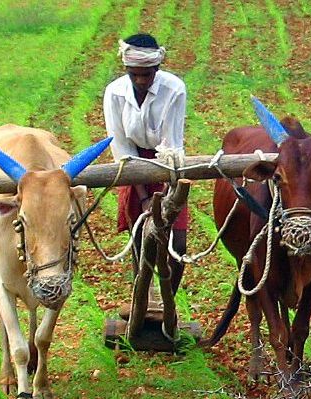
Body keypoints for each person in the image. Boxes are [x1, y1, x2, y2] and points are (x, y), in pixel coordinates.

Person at [103, 33, 188, 293]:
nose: (140, 80)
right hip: (132, 166)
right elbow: (122, 148)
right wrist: (142, 198)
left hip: (167, 165)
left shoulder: (174, 88)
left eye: (147, 74)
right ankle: (142, 297)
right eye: (134, 74)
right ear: (127, 70)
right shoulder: (115, 93)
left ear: (157, 68)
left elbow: (171, 145)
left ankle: (168, 301)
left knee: (178, 243)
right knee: (141, 237)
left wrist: (167, 198)